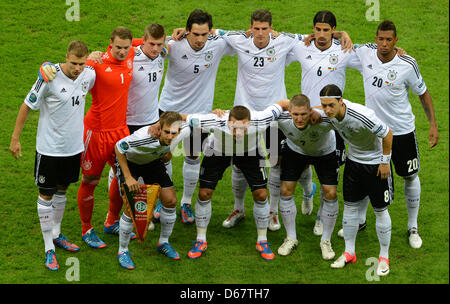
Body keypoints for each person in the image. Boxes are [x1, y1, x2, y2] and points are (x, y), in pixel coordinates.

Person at [216, 10, 352, 232]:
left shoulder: (287, 41)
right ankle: (238, 209)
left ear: (272, 28)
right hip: (244, 114)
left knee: (277, 162)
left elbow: (318, 36)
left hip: (276, 114)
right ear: (250, 28)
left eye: (265, 28)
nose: (260, 33)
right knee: (239, 164)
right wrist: (180, 34)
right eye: (256, 29)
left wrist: (341, 34)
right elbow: (211, 32)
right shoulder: (239, 39)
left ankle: (273, 212)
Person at [345, 20, 439, 249]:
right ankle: (361, 220)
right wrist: (342, 31)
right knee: (370, 174)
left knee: (409, 175)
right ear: (375, 38)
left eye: (389, 40)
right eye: (381, 39)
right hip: (374, 131)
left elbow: (423, 94)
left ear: (396, 41)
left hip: (402, 131)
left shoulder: (408, 64)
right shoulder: (366, 52)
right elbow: (335, 41)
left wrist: (433, 125)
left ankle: (412, 227)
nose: (384, 44)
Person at [9, 40, 96, 270]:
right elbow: (27, 105)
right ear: (66, 57)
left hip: (73, 149)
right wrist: (15, 139)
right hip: (49, 150)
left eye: (81, 63)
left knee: (62, 189)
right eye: (73, 63)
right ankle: (49, 247)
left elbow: (110, 55)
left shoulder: (88, 74)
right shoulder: (48, 76)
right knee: (46, 195)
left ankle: (57, 233)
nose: (77, 68)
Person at [184, 99, 290, 261]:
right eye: (234, 127)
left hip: (250, 152)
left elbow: (284, 103)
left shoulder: (261, 118)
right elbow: (181, 117)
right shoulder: (216, 120)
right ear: (227, 122)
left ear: (250, 123)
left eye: (243, 127)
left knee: (261, 194)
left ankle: (262, 241)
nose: (238, 132)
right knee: (204, 193)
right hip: (218, 151)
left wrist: (313, 113)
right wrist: (159, 125)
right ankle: (200, 240)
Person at [286, 10, 362, 236]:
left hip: (332, 121)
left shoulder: (345, 50)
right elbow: (276, 38)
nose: (320, 34)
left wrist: (343, 34)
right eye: (317, 29)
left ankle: (321, 216)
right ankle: (308, 192)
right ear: (313, 30)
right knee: (302, 163)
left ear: (333, 31)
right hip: (304, 117)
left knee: (329, 172)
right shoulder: (302, 46)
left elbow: (374, 55)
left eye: (326, 30)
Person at [158, 9, 235, 224]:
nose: (200, 40)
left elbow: (247, 36)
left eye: (204, 34)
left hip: (200, 115)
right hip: (170, 112)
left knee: (193, 156)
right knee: (164, 156)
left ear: (210, 32)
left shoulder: (217, 43)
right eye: (195, 34)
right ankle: (161, 198)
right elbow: (150, 47)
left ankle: (185, 203)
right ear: (187, 31)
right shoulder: (174, 45)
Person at [319, 85, 393, 277]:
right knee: (350, 207)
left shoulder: (361, 115)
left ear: (341, 101)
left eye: (331, 105)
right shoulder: (329, 115)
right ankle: (349, 252)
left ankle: (384, 257)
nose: (327, 110)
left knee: (380, 210)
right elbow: (308, 111)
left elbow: (387, 133)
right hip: (353, 164)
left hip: (376, 165)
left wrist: (385, 162)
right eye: (324, 106)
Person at [104, 23, 168, 234]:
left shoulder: (163, 54)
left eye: (159, 44)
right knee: (122, 168)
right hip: (127, 122)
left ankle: (153, 206)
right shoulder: (130, 55)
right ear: (143, 40)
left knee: (160, 160)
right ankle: (114, 215)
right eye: (151, 44)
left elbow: (181, 39)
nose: (155, 49)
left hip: (152, 121)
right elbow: (110, 55)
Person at [113, 112, 188, 269]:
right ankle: (123, 250)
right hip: (130, 163)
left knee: (170, 201)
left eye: (173, 133)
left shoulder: (182, 129)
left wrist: (217, 113)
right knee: (130, 207)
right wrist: (128, 178)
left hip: (152, 162)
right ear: (160, 129)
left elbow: (193, 118)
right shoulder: (144, 137)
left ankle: (163, 243)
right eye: (166, 132)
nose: (170, 136)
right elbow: (119, 148)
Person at [277, 94, 339, 260]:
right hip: (296, 151)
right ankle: (291, 238)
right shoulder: (282, 117)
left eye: (303, 114)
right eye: (295, 114)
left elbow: (342, 109)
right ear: (289, 111)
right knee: (285, 190)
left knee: (331, 193)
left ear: (310, 111)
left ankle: (326, 240)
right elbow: (256, 114)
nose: (299, 118)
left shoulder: (324, 119)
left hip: (325, 153)